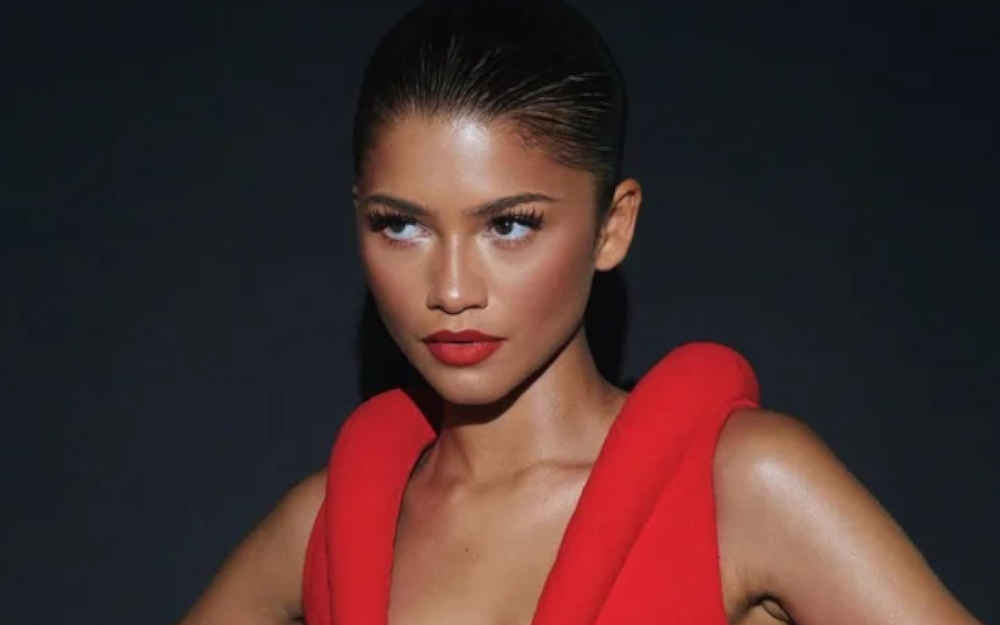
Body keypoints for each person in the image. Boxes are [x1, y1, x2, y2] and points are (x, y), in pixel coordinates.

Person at [176, 2, 982, 624]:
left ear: (612, 226)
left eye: (509, 225)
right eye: (402, 225)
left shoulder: (742, 486)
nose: (451, 289)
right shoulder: (329, 525)